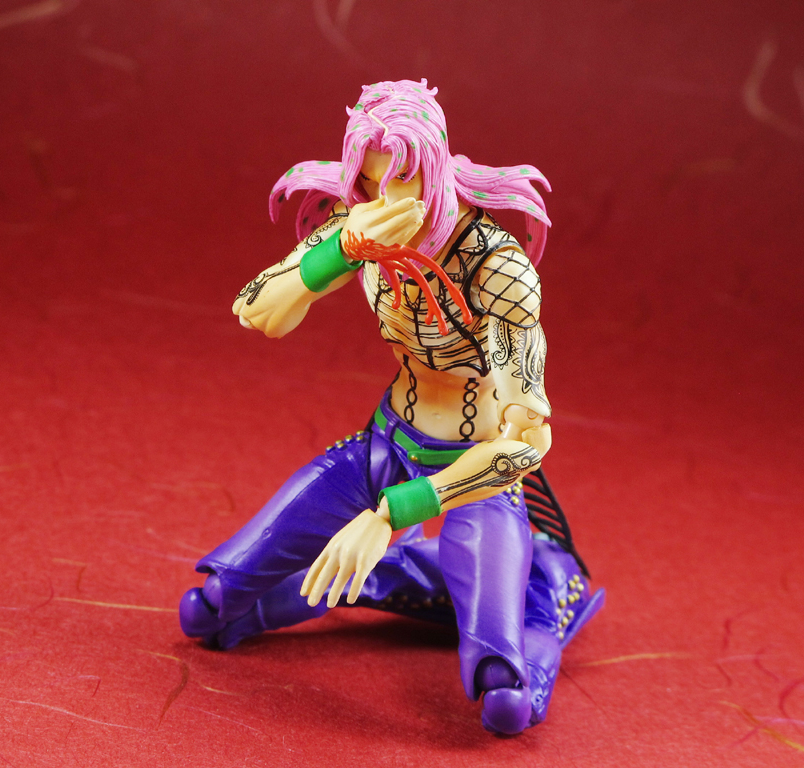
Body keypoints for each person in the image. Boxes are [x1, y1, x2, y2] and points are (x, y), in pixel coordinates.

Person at [180, 79, 603, 735]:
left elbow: (526, 444)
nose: (387, 202)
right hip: (383, 447)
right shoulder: (357, 226)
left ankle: (529, 611)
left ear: (435, 170)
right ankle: (354, 582)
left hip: (475, 478)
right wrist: (339, 252)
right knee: (210, 605)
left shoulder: (496, 266)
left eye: (404, 180)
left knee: (504, 694)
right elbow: (257, 309)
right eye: (370, 183)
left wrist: (393, 514)